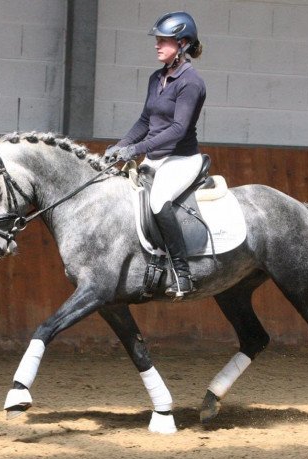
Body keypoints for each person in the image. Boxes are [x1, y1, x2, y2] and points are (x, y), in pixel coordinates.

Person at [105, 11, 206, 298]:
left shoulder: (191, 82)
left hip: (181, 159)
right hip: (155, 157)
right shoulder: (156, 78)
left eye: (164, 40)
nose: (157, 45)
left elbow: (177, 129)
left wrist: (134, 150)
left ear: (183, 44)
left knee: (159, 201)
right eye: (158, 40)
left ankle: (182, 272)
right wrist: (119, 147)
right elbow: (144, 121)